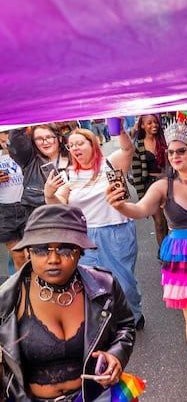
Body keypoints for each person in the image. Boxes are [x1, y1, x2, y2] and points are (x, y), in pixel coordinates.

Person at [105, 122, 187, 402]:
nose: (175, 156)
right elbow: (139, 210)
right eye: (171, 152)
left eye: (181, 151)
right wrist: (119, 205)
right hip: (182, 253)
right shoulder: (163, 185)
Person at [0, 204, 135, 402]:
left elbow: (125, 325)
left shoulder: (104, 286)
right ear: (28, 251)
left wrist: (116, 355)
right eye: (41, 249)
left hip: (96, 396)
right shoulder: (7, 299)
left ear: (80, 251)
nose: (53, 259)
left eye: (64, 249)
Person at [43, 126, 144, 329]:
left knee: (123, 283)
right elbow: (59, 204)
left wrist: (119, 127)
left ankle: (133, 315)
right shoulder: (68, 175)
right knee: (91, 284)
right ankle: (105, 320)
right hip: (84, 237)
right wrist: (49, 194)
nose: (75, 148)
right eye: (71, 145)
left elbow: (127, 149)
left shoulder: (109, 163)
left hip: (116, 232)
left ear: (93, 144)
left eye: (80, 143)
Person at [130, 114, 169, 253]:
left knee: (170, 222)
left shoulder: (165, 141)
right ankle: (164, 253)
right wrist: (142, 198)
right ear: (142, 125)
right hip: (150, 186)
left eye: (156, 122)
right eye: (149, 123)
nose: (154, 125)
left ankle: (173, 250)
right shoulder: (138, 146)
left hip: (168, 183)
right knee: (159, 224)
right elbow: (136, 173)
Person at [0, 129, 26, 270]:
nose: (7, 145)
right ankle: (21, 289)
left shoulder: (26, 153)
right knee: (18, 257)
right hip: (6, 211)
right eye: (3, 142)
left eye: (9, 142)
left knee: (32, 254)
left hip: (27, 206)